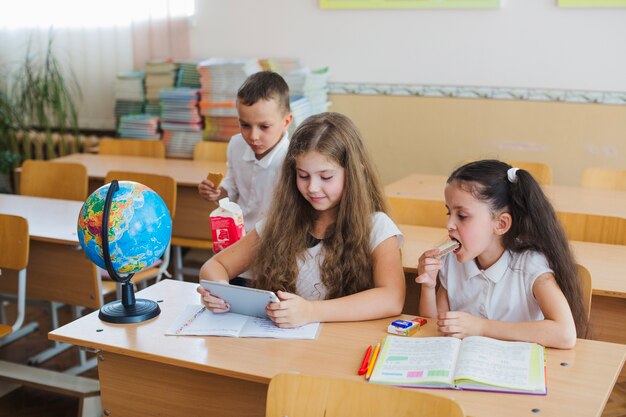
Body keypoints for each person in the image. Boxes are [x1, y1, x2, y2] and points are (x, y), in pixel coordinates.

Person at [197, 112, 406, 328]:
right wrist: (219, 290)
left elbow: (392, 298)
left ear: (355, 174)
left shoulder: (377, 227)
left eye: (326, 177)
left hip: (341, 346)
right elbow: (216, 265)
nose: (313, 187)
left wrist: (310, 311)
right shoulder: (279, 223)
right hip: (287, 346)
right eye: (303, 176)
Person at [416, 160, 587, 349]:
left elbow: (565, 334)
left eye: (462, 216)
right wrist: (428, 288)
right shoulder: (451, 262)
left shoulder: (531, 266)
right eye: (449, 213)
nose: (449, 225)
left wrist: (481, 327)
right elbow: (435, 328)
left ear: (501, 224)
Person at [198, 70, 293, 233]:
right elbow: (232, 189)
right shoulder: (236, 144)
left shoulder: (292, 159)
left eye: (264, 127)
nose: (253, 136)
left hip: (273, 239)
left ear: (286, 122)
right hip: (238, 234)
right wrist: (217, 192)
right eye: (245, 125)